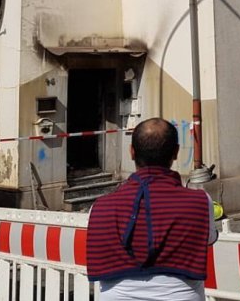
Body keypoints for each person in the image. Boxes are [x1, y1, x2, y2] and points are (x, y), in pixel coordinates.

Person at [86, 118, 217, 300]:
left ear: (132, 152)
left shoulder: (100, 208)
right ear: (176, 152)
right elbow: (209, 239)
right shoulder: (201, 202)